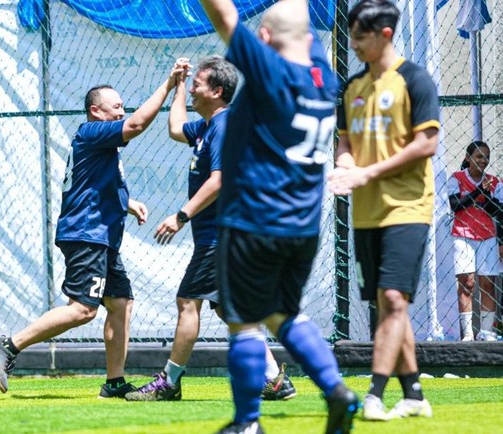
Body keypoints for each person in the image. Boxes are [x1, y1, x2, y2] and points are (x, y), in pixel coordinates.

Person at [199, 1, 359, 433]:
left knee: (243, 322)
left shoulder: (270, 71)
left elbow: (224, 16)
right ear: (308, 40)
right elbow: (300, 28)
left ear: (265, 38)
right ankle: (337, 392)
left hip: (254, 219)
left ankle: (247, 423)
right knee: (283, 313)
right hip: (301, 227)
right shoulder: (324, 78)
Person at [0, 62, 187, 398]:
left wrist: (127, 203)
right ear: (96, 111)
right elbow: (136, 125)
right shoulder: (92, 132)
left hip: (102, 237)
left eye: (123, 106)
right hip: (86, 234)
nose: (122, 112)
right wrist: (168, 86)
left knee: (121, 304)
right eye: (116, 107)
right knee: (82, 309)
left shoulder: (101, 145)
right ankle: (9, 345)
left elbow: (90, 184)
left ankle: (114, 383)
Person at [125, 55, 296, 402]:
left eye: (197, 84)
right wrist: (176, 84)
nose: (192, 90)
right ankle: (274, 379)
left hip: (221, 236)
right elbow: (176, 128)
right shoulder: (206, 127)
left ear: (217, 91)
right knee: (230, 311)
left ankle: (169, 382)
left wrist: (181, 216)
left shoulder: (224, 125)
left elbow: (220, 180)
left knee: (188, 301)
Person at [328, 0, 439, 422]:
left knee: (392, 297)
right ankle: (414, 394)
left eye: (360, 36)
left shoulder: (415, 79)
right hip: (366, 213)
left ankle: (374, 394)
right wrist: (344, 166)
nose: (353, 44)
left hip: (408, 207)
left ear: (385, 34)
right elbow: (345, 143)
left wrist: (367, 172)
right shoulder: (352, 88)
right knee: (389, 304)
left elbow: (426, 144)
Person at [448, 141, 502, 341]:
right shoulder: (456, 178)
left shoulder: (494, 182)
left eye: (486, 157)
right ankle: (468, 333)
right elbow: (456, 205)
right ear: (468, 158)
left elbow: (496, 210)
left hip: (487, 236)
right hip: (463, 235)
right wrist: (480, 192)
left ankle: (487, 332)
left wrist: (484, 194)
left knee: (488, 284)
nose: (483, 160)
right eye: (479, 156)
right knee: (467, 283)